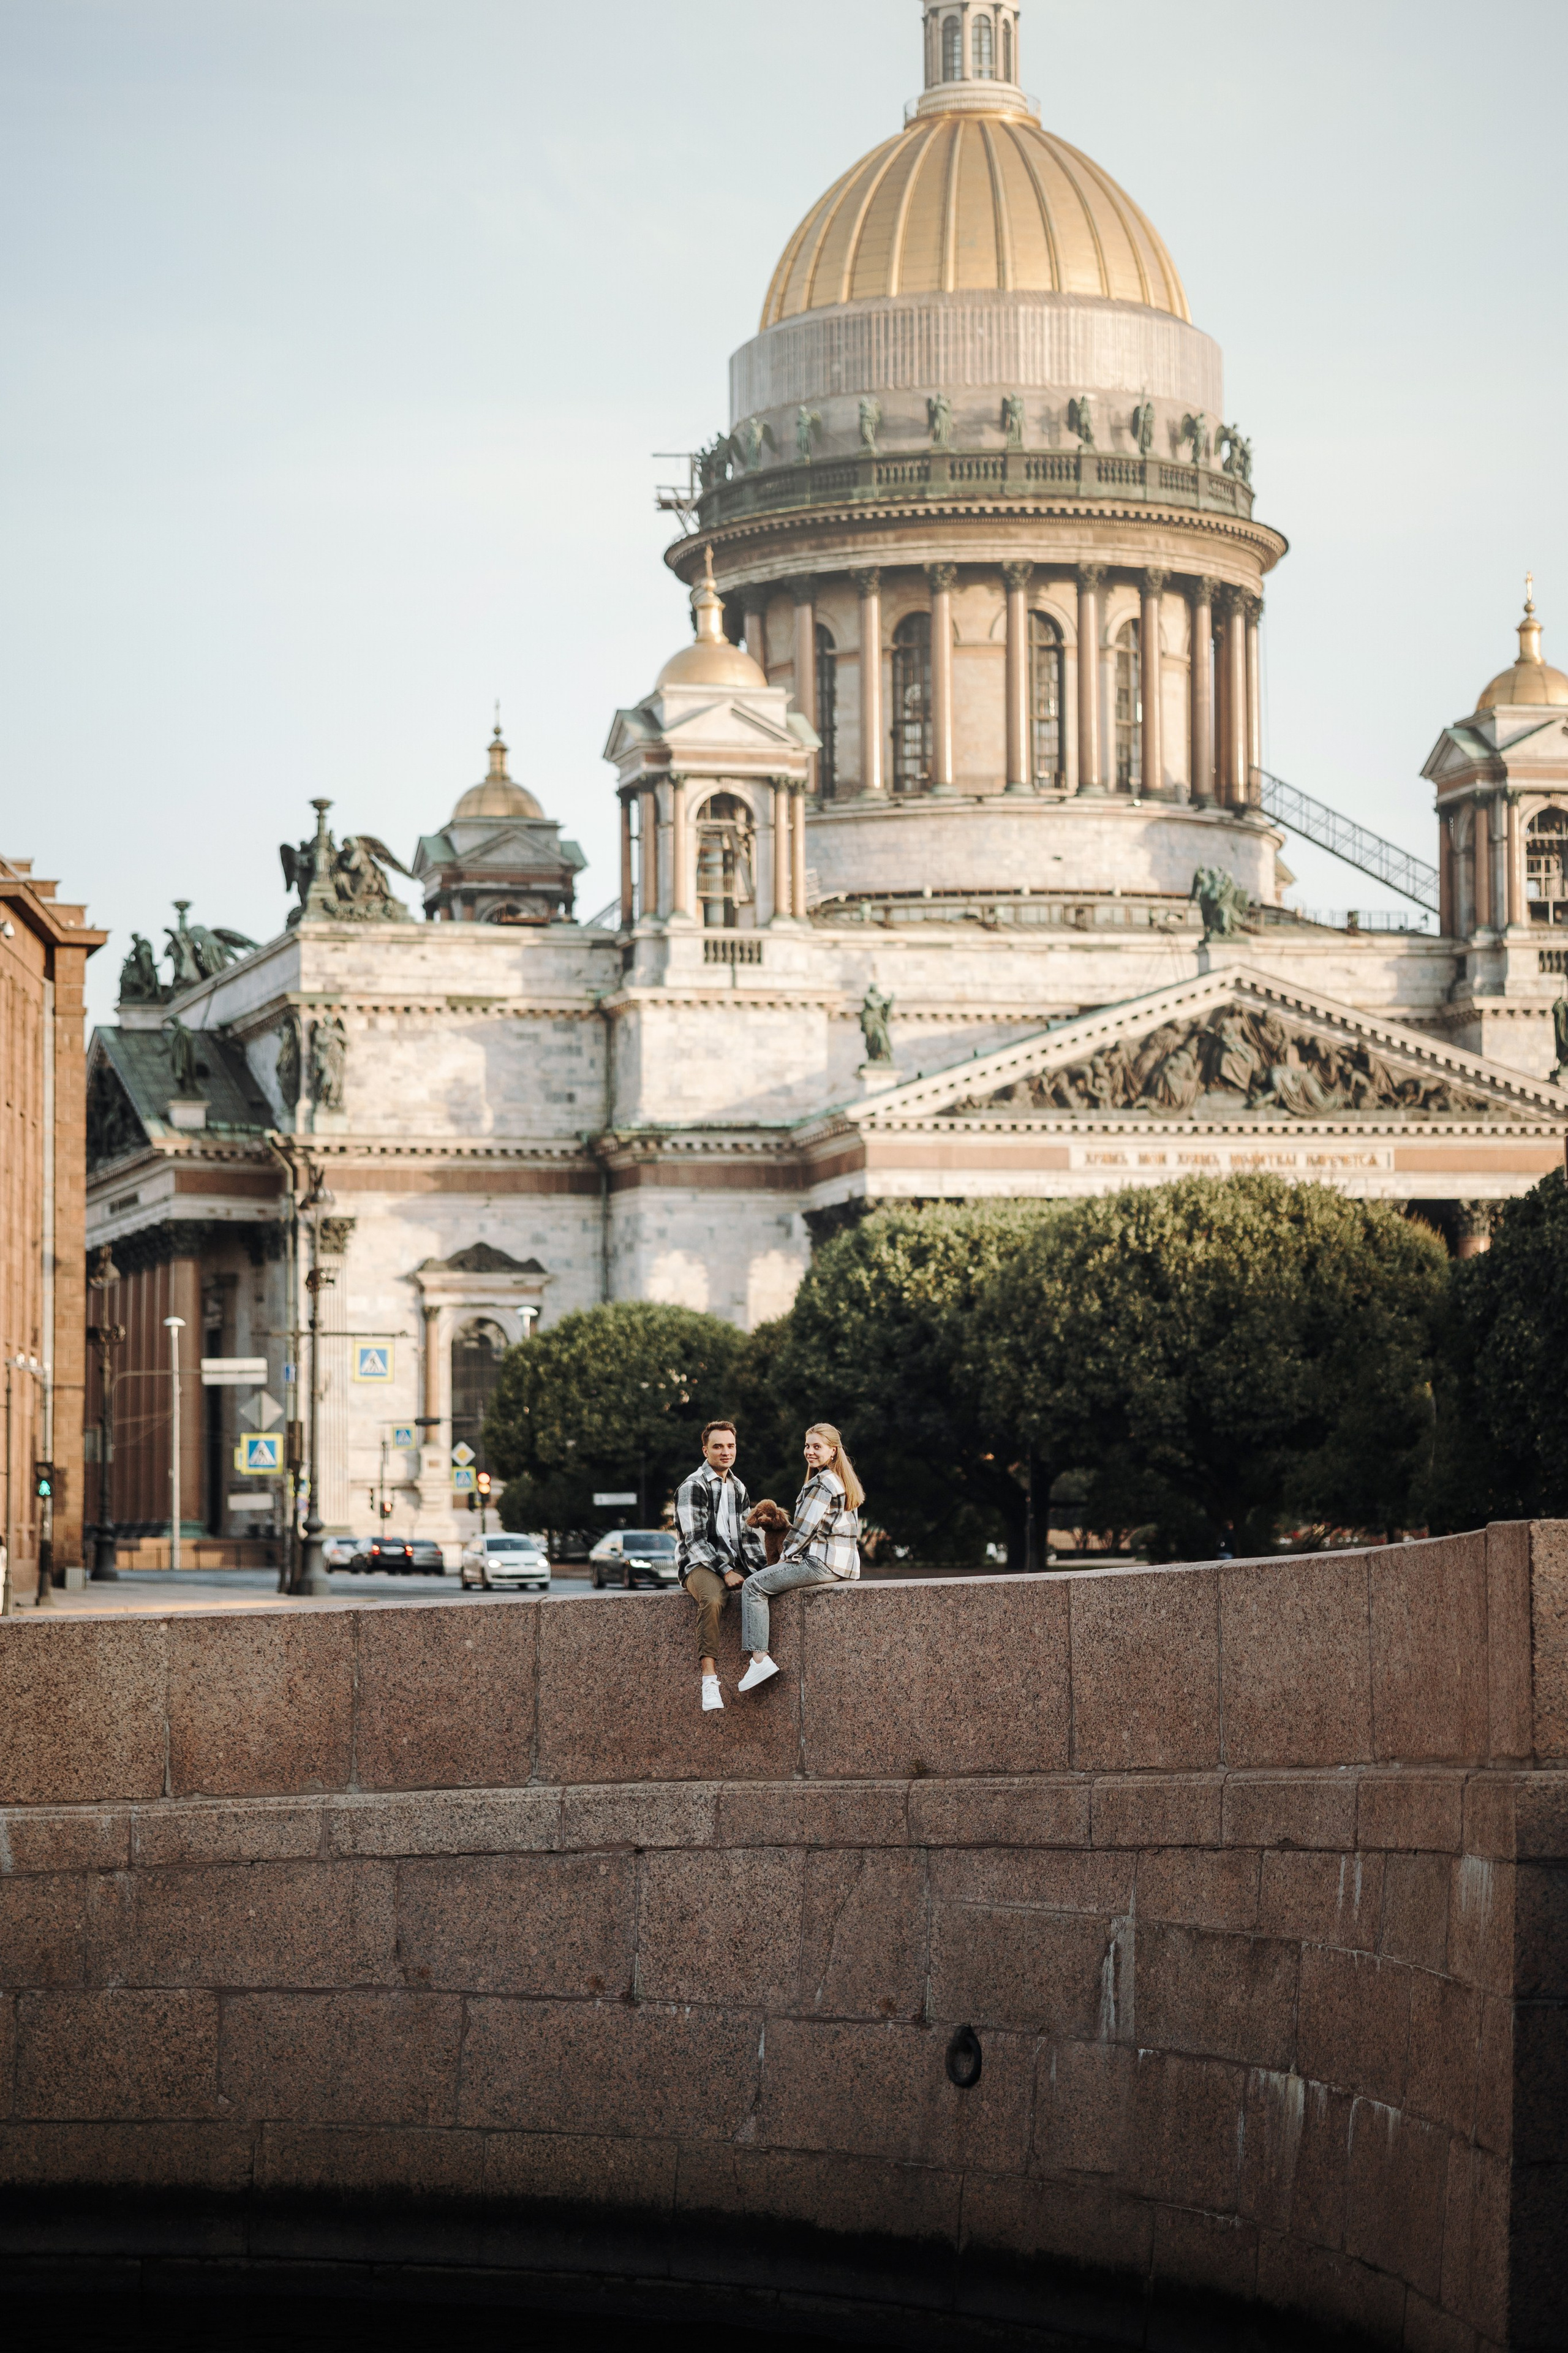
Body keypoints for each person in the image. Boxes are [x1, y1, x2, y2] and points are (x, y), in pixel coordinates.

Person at [737, 1424, 864, 1693]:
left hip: (820, 1562)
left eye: (817, 1446)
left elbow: (803, 1529)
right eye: (807, 1446)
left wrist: (785, 1557)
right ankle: (759, 1659)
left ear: (833, 1451)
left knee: (753, 1586)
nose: (810, 1451)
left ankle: (759, 1659)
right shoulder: (840, 1480)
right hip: (842, 1565)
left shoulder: (823, 1483)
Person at [675, 1419, 765, 1713]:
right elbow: (695, 1540)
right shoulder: (693, 1486)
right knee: (713, 1599)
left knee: (771, 1586)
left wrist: (764, 1570)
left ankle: (759, 1661)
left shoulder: (738, 1487)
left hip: (735, 1562)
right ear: (706, 1450)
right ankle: (709, 1680)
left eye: (731, 1446)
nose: (726, 1452)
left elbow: (749, 1538)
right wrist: (725, 1571)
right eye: (718, 1447)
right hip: (698, 1563)